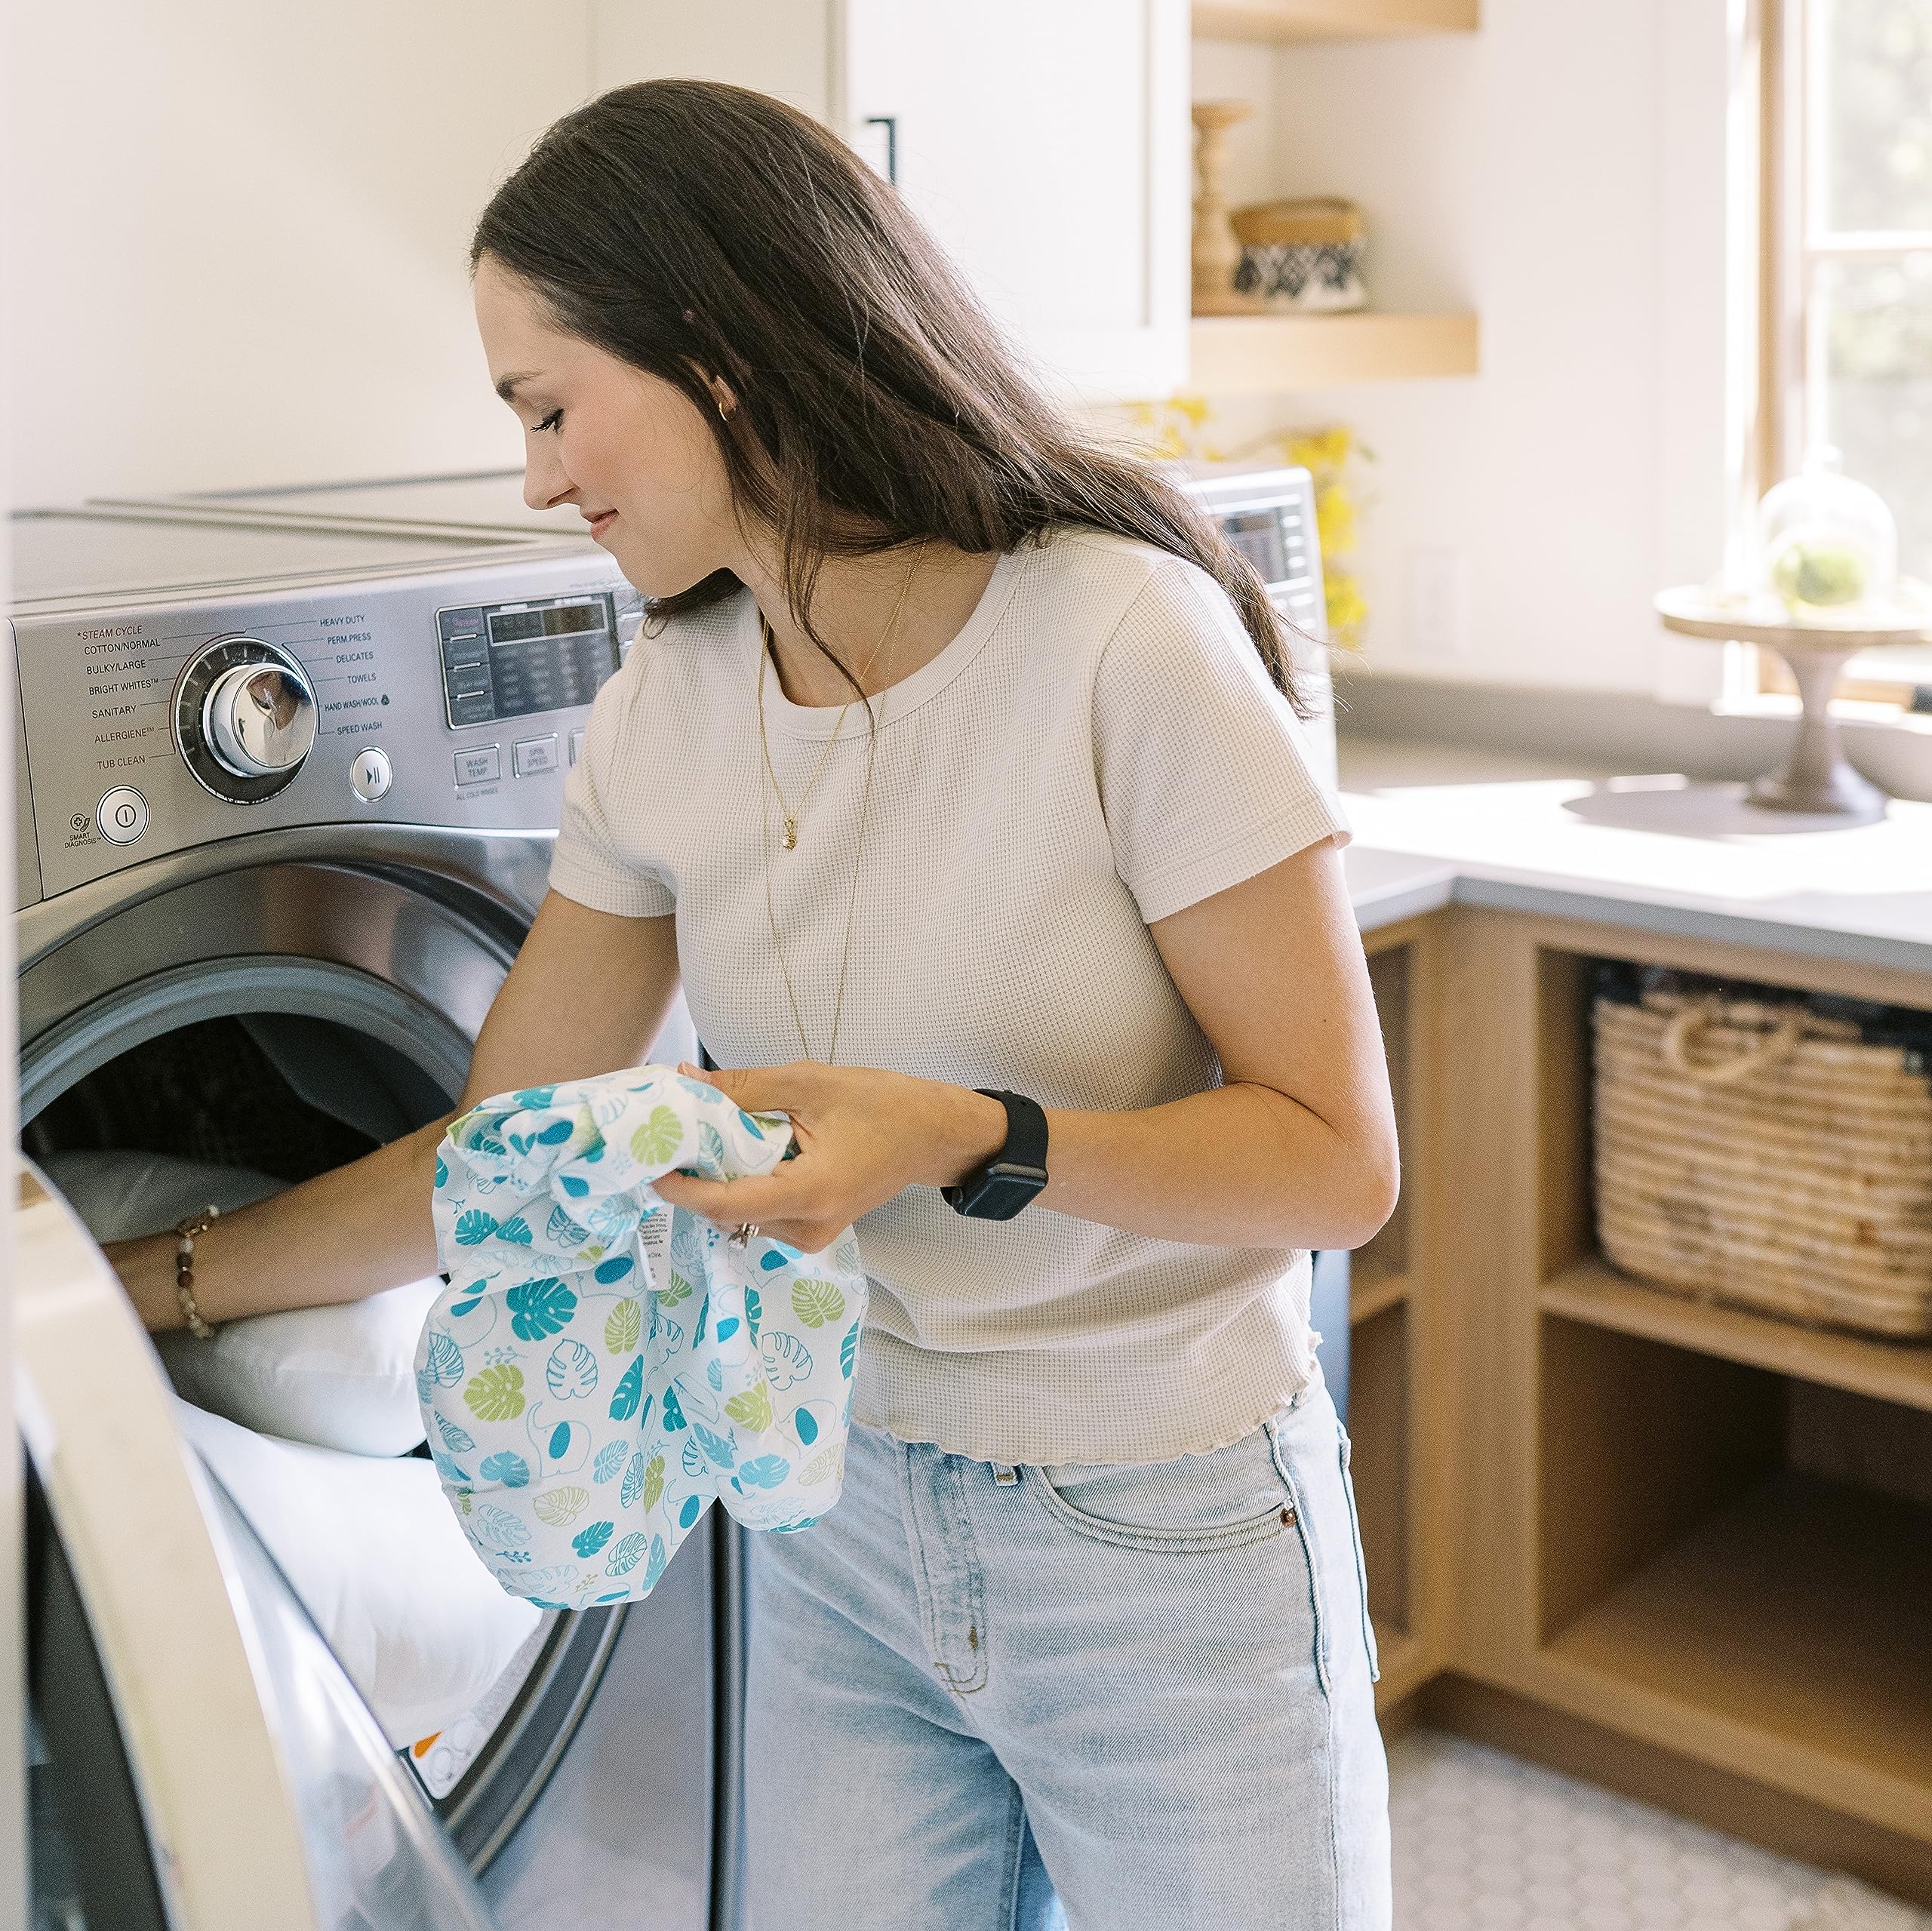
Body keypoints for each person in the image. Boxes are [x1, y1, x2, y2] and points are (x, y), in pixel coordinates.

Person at [109, 78, 1399, 1931]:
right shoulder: (670, 710)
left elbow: (1332, 1161)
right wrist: (139, 1284)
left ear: (715, 351)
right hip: (838, 1508)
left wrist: (962, 1135)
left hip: (1159, 1526)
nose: (541, 475)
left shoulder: (1119, 640)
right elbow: (503, 1156)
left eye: (551, 407)